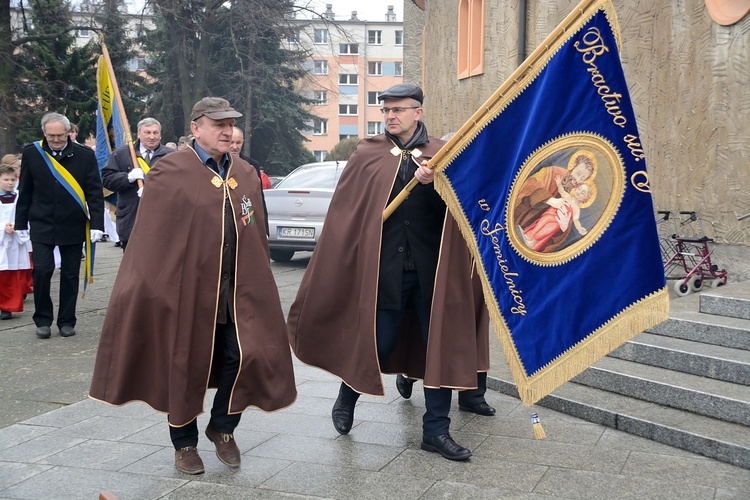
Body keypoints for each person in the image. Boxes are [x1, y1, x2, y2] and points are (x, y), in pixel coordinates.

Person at [89, 97, 297, 475]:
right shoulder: (171, 170)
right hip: (186, 292)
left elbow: (255, 232)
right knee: (184, 365)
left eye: (230, 124)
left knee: (244, 356)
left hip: (237, 292)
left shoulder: (246, 172)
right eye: (217, 124)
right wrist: (145, 286)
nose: (226, 130)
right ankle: (184, 443)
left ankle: (223, 426)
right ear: (196, 127)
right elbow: (153, 238)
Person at [287, 83, 490, 461]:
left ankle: (436, 431)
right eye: (386, 110)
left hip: (433, 273)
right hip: (385, 272)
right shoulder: (368, 153)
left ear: (418, 112)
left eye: (399, 109)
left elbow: (465, 210)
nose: (391, 116)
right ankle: (348, 396)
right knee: (379, 342)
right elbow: (348, 215)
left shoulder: (440, 156)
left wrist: (437, 184)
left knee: (437, 349)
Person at [14, 112, 105, 339]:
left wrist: (97, 224)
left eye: (60, 135)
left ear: (68, 133)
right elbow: (24, 191)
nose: (56, 140)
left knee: (70, 274)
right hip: (42, 222)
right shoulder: (32, 153)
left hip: (72, 224)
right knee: (42, 271)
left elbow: (94, 192)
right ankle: (43, 320)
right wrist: (20, 223)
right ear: (44, 133)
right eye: (51, 135)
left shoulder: (84, 155)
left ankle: (66, 321)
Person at [101, 117, 174, 251]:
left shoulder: (171, 156)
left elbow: (179, 184)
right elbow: (107, 180)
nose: (152, 137)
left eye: (155, 133)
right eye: (147, 132)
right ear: (139, 133)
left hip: (162, 220)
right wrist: (127, 178)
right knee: (132, 267)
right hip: (131, 218)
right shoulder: (123, 154)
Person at [513, 154, 595, 253]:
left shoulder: (575, 193)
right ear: (573, 165)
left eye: (582, 178)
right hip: (523, 219)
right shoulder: (554, 172)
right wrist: (549, 200)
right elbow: (530, 184)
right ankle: (530, 234)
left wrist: (563, 228)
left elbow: (568, 223)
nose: (577, 180)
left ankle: (533, 239)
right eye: (578, 173)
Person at [522, 178, 593, 252]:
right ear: (576, 188)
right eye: (579, 188)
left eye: (583, 192)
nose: (579, 192)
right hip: (551, 212)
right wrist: (559, 183)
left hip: (559, 222)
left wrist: (580, 228)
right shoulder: (567, 196)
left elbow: (576, 220)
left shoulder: (577, 209)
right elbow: (561, 190)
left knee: (552, 228)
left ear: (585, 198)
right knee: (546, 219)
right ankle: (531, 235)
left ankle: (534, 240)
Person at [0, 163, 33, 320]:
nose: (10, 183)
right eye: (6, 179)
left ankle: (7, 307)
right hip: (2, 241)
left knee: (12, 276)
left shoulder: (20, 197)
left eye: (12, 179)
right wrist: (2, 228)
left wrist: (18, 226)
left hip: (15, 241)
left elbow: (28, 217)